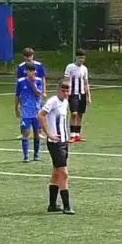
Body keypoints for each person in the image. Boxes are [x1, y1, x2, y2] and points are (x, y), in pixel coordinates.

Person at [38, 81, 75, 215]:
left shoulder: (65, 102)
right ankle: (67, 206)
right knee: (64, 174)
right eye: (63, 91)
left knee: (56, 173)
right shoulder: (52, 101)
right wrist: (49, 134)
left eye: (67, 91)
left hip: (63, 142)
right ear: (58, 90)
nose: (65, 93)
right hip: (55, 143)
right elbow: (41, 115)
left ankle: (52, 205)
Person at [15, 63, 46, 162]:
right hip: (26, 112)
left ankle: (36, 155)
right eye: (30, 71)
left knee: (37, 133)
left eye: (33, 71)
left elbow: (38, 94)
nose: (32, 73)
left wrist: (33, 83)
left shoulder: (38, 81)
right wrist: (16, 108)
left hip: (36, 112)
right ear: (26, 71)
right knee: (25, 133)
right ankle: (26, 156)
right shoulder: (21, 82)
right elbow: (17, 95)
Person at [63, 50, 91, 143]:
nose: (81, 60)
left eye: (83, 58)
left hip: (82, 94)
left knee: (80, 114)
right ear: (76, 57)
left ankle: (77, 135)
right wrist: (66, 93)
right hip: (72, 94)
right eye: (80, 58)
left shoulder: (84, 69)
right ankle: (72, 135)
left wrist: (88, 96)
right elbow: (66, 80)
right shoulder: (70, 67)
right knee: (74, 113)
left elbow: (86, 83)